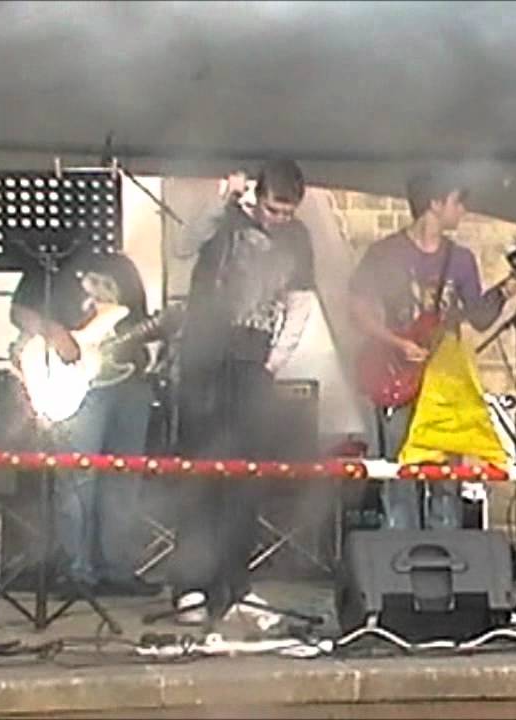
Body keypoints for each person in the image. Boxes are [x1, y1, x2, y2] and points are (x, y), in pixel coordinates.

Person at [166, 158, 316, 626]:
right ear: (257, 196)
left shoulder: (298, 241)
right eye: (272, 209)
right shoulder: (225, 218)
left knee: (245, 476)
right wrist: (220, 201)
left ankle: (235, 586)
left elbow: (300, 303)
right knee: (199, 471)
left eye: (287, 213)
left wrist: (273, 362)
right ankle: (190, 586)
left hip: (254, 362)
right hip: (204, 358)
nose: (278, 220)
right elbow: (182, 246)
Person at [348, 165, 516, 530]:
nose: (463, 210)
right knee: (399, 474)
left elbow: (479, 317)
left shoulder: (462, 259)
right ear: (435, 204)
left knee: (446, 480)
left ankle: (445, 561)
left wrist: (507, 289)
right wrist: (396, 342)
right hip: (397, 376)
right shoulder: (384, 254)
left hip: (445, 382)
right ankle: (400, 560)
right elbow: (357, 309)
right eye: (458, 202)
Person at [8, 241, 158, 597]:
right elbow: (19, 311)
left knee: (124, 480)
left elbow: (134, 322)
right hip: (77, 385)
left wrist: (157, 336)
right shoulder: (48, 259)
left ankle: (117, 569)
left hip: (127, 382)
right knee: (77, 480)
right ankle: (76, 570)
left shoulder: (123, 266)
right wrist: (56, 332)